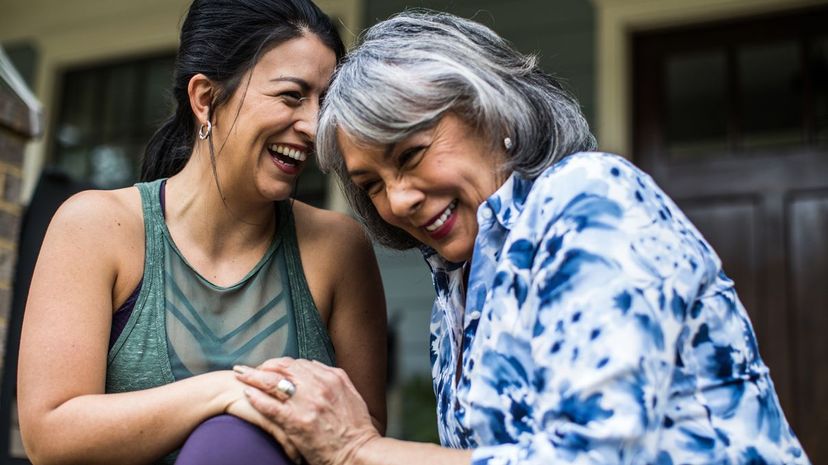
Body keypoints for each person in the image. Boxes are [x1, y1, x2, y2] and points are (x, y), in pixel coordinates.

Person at [233, 10, 812, 465]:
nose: (398, 201)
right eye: (372, 184)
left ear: (496, 114)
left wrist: (358, 451)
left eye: (411, 154)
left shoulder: (588, 201)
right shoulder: (460, 280)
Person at [17, 0, 387, 464]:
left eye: (323, 103)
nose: (314, 126)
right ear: (205, 98)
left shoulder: (339, 248)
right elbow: (50, 435)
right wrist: (228, 389)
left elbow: (362, 437)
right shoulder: (97, 228)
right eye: (292, 96)